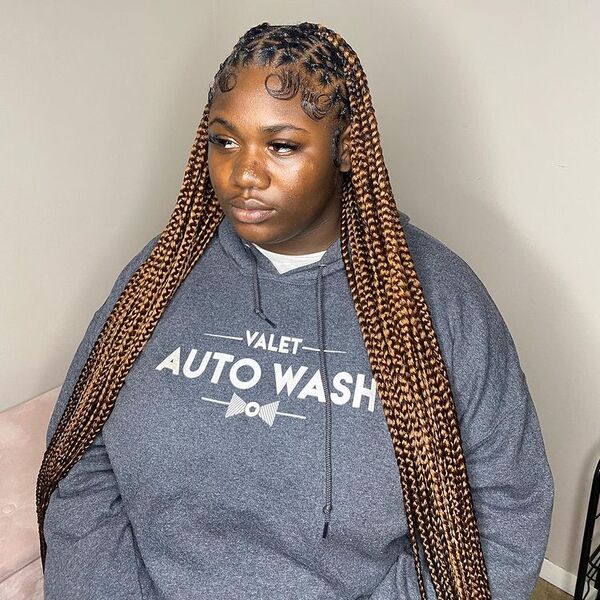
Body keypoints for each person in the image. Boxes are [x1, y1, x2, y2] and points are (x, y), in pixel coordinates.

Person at [37, 22, 554, 600]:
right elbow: (79, 458)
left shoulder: (441, 302)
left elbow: (506, 509)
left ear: (346, 147)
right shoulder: (160, 272)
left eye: (281, 146)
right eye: (225, 141)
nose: (243, 175)